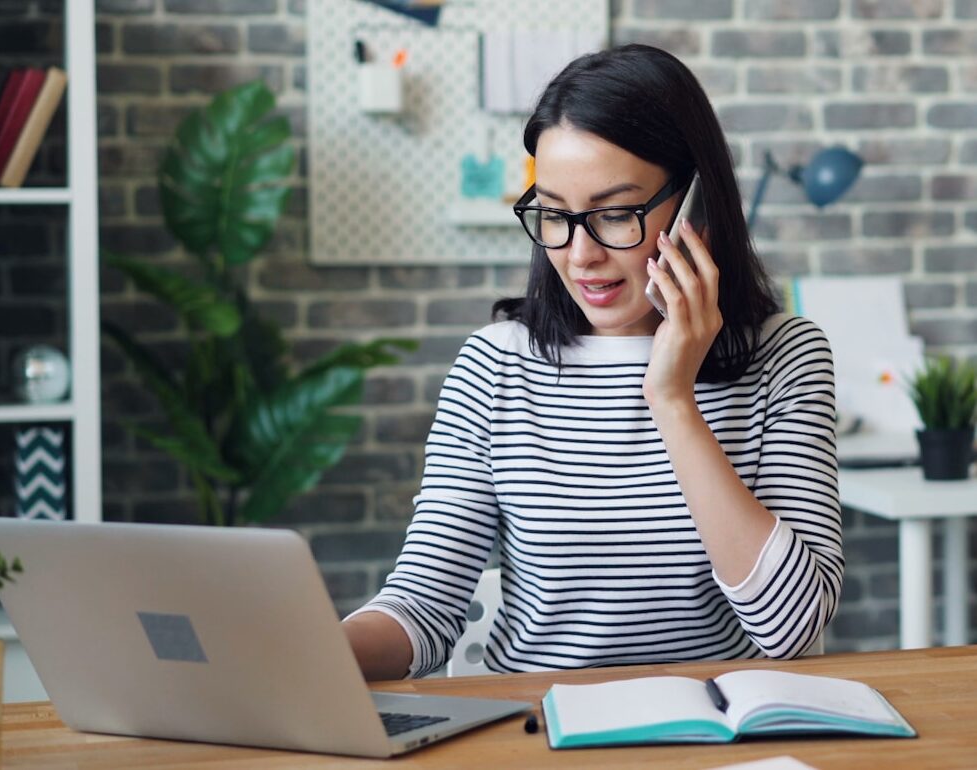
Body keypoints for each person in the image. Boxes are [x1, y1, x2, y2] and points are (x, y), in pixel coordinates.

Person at [343, 43, 843, 680]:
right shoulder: (494, 366)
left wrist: (672, 399)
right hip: (535, 730)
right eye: (554, 214)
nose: (579, 255)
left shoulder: (786, 356)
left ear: (697, 204)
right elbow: (423, 606)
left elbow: (793, 629)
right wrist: (315, 654)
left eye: (613, 215)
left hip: (711, 735)